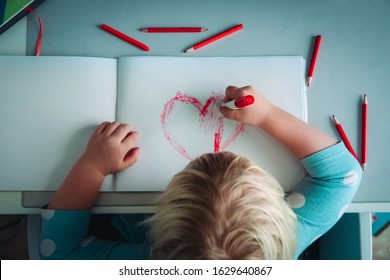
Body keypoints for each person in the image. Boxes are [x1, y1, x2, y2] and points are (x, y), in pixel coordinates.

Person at [40, 85, 362, 259]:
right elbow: (345, 175)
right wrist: (269, 115)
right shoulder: (285, 242)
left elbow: (57, 254)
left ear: (159, 229)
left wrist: (93, 166)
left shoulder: (154, 260)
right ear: (281, 214)